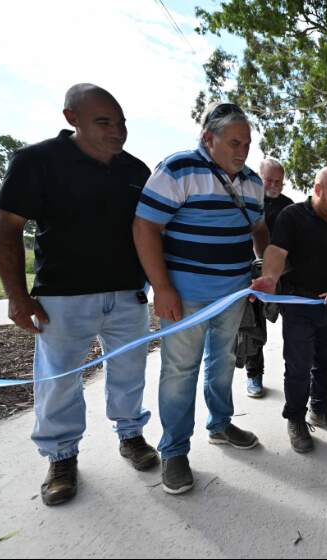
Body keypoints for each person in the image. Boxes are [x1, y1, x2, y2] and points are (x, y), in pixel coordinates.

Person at [0, 83, 159, 506]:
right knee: (60, 381)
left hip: (127, 296)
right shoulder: (37, 161)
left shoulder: (137, 171)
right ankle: (62, 458)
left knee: (129, 373)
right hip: (62, 298)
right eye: (104, 122)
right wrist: (17, 296)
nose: (117, 131)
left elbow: (153, 234)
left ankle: (131, 435)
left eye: (121, 123)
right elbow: (6, 231)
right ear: (72, 118)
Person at [133, 102, 270, 495]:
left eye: (247, 143)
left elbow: (259, 227)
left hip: (233, 294)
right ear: (208, 139)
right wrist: (162, 287)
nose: (242, 151)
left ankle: (221, 424)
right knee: (180, 372)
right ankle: (174, 451)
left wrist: (265, 266)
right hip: (184, 298)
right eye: (233, 142)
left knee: (224, 362)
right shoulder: (178, 170)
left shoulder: (252, 183)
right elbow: (145, 227)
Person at [251, 166, 327, 453]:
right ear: (317, 189)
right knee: (297, 367)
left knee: (326, 362)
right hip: (298, 304)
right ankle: (295, 419)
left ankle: (319, 410)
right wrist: (270, 278)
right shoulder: (291, 217)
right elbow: (276, 252)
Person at [235, 158, 294, 398]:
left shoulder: (289, 207)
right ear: (258, 177)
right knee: (252, 327)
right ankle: (254, 375)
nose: (274, 184)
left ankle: (303, 369)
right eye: (269, 179)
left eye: (278, 181)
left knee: (296, 324)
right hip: (253, 275)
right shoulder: (245, 202)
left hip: (285, 275)